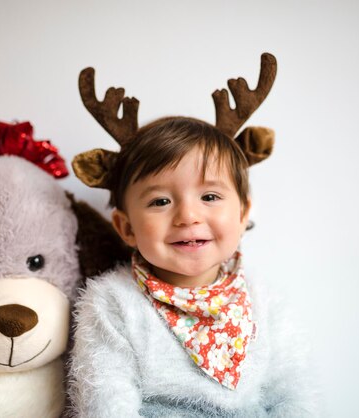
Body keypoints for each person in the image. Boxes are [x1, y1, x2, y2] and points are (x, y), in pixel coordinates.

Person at [68, 58, 321, 417]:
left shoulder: (265, 302)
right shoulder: (112, 303)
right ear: (125, 228)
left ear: (243, 214)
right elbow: (106, 402)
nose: (188, 216)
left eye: (210, 197)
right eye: (160, 201)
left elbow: (295, 394)